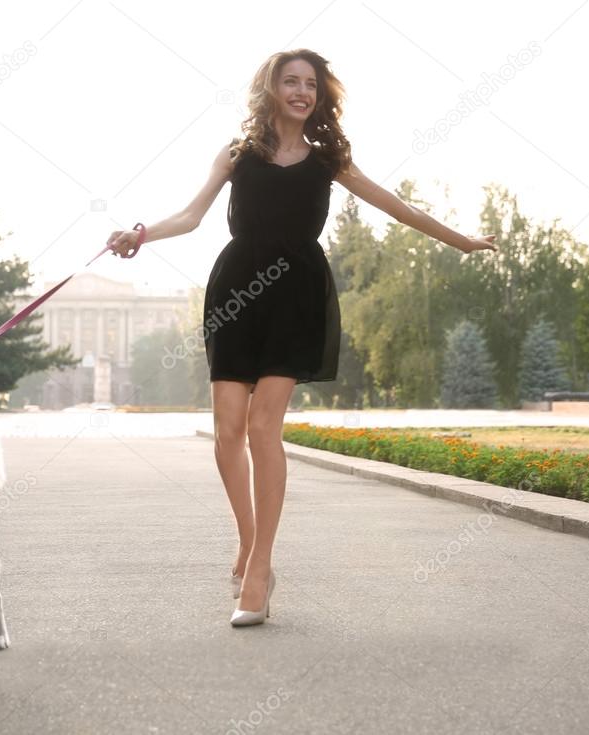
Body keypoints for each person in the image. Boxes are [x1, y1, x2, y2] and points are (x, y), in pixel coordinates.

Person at [107, 49, 497, 627]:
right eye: (290, 81)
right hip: (237, 292)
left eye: (310, 84)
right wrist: (141, 233)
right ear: (270, 89)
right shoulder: (238, 154)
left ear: (320, 95)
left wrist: (460, 240)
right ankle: (248, 539)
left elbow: (396, 206)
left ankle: (260, 572)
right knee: (226, 431)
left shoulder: (328, 160)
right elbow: (190, 217)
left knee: (264, 428)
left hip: (296, 296)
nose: (301, 91)